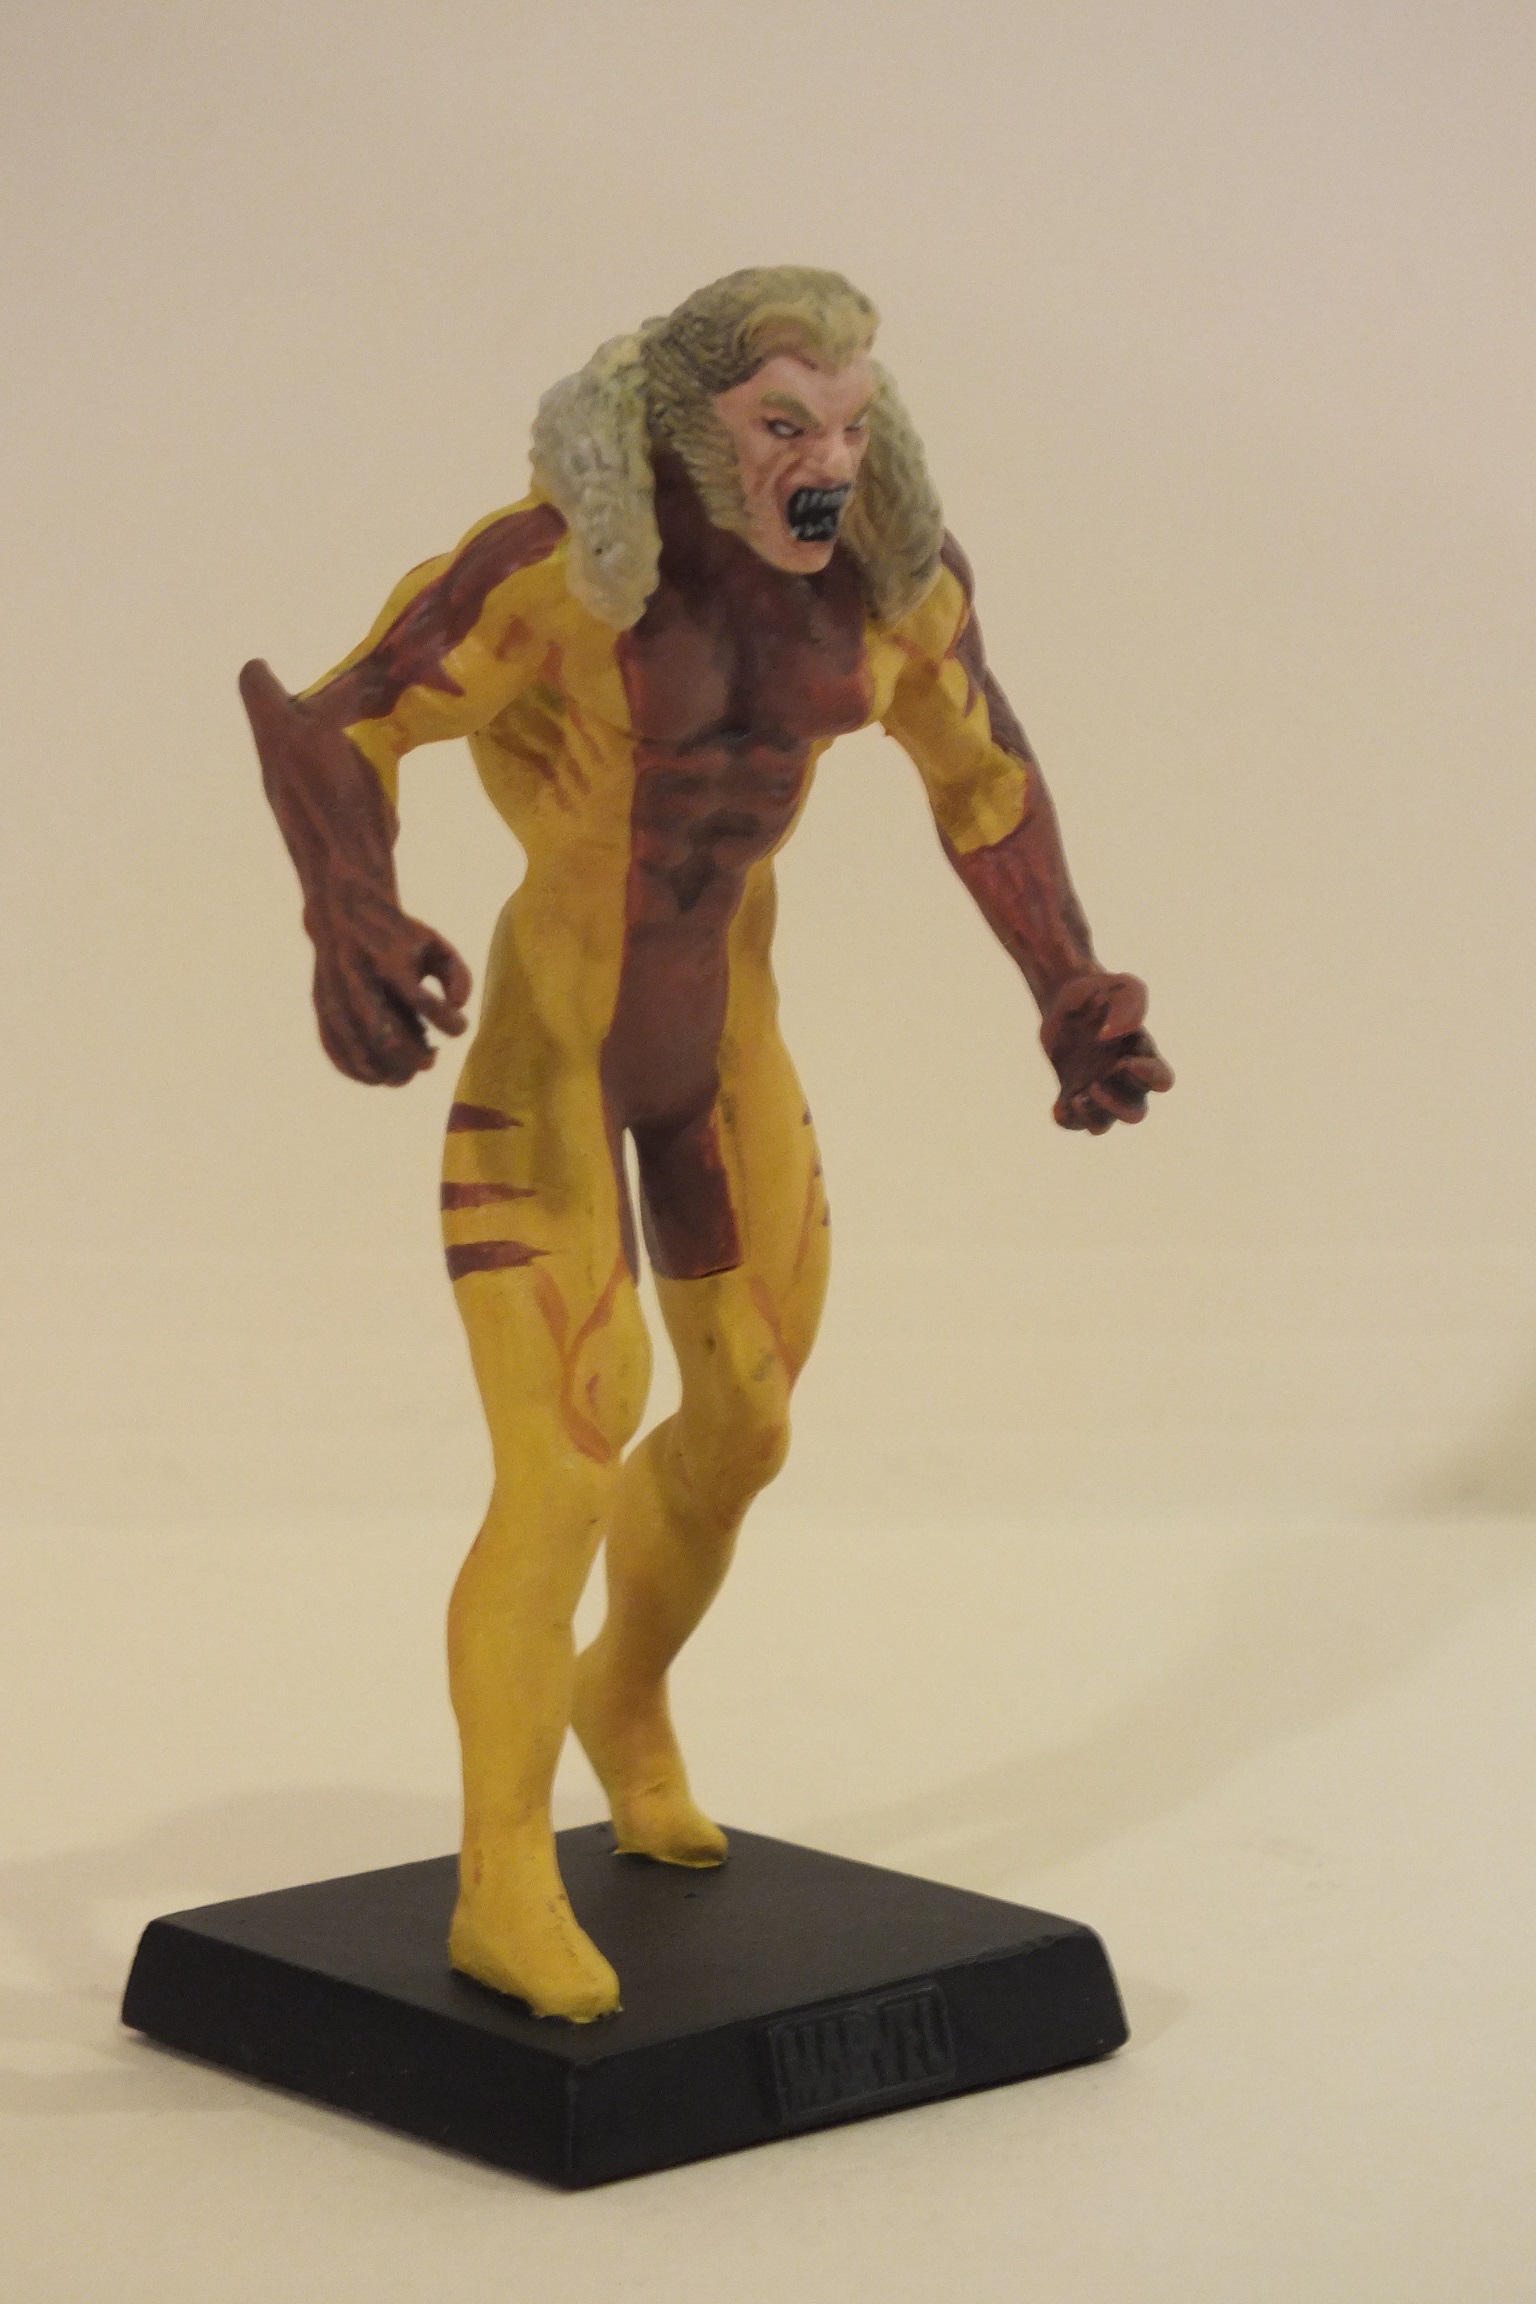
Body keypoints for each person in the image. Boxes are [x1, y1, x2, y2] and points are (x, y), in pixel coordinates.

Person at [241, 266, 1173, 2021]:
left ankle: (625, 1693)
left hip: (723, 1054)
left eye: (852, 422)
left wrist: (1065, 983)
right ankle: (500, 1880)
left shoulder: (890, 589)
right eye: (783, 425)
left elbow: (985, 780)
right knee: (561, 1469)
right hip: (555, 1053)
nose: (830, 461)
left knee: (746, 1420)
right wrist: (346, 900)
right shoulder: (555, 574)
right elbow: (343, 715)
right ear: (686, 430)